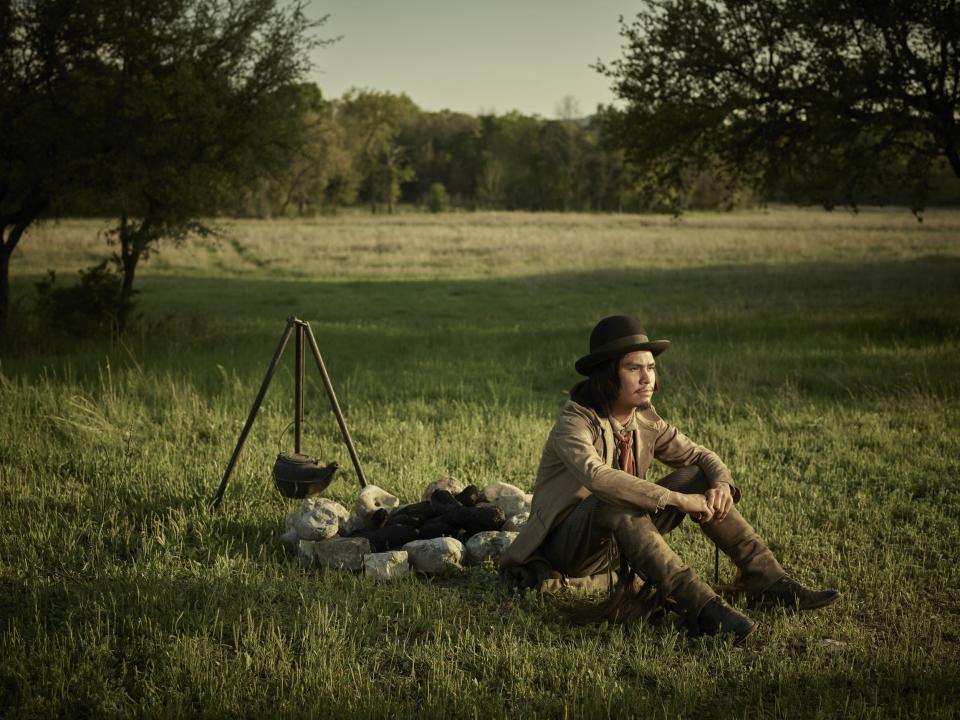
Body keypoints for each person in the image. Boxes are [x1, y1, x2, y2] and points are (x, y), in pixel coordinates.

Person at [499, 315, 840, 644]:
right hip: (567, 549)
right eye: (634, 368)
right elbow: (598, 476)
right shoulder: (574, 422)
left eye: (650, 367)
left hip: (621, 535)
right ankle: (701, 608)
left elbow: (701, 457)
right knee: (613, 500)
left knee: (695, 476)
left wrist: (720, 485)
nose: (647, 377)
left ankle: (767, 581)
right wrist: (677, 499)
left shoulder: (645, 419)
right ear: (607, 374)